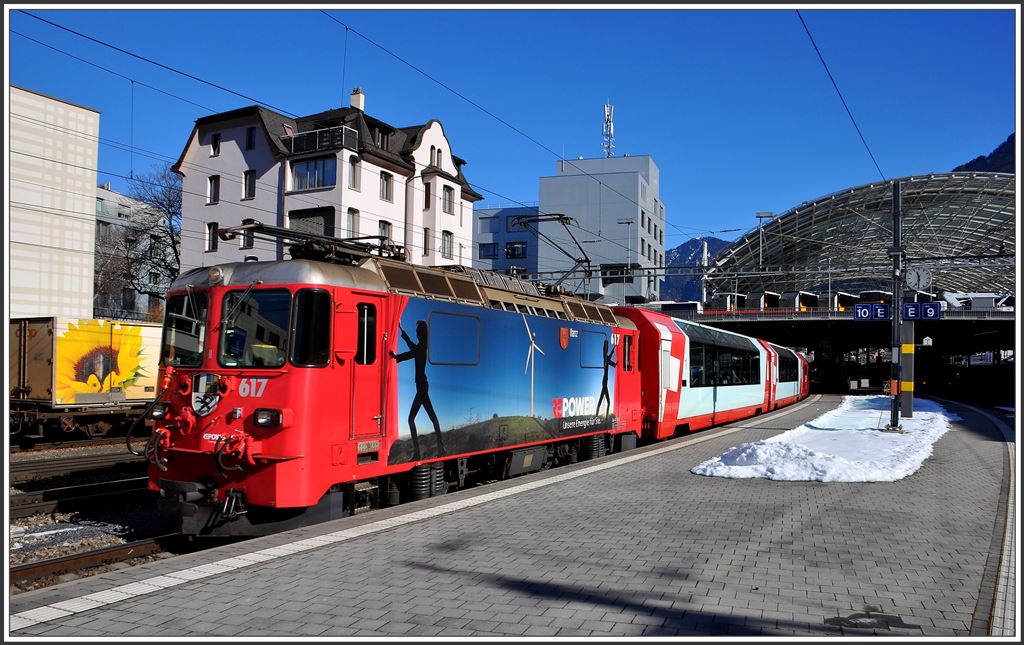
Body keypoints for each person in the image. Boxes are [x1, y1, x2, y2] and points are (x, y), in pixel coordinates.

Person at [390, 320, 446, 460]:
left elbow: (411, 350)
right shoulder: (421, 347)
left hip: (421, 387)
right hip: (422, 386)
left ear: (421, 333)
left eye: (417, 331)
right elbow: (411, 352)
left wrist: (402, 332)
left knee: (411, 419)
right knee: (432, 416)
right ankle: (440, 447)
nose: (416, 333)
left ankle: (418, 453)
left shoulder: (422, 347)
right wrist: (397, 357)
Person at [597, 339, 617, 417]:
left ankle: (596, 416)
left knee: (601, 400)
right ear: (606, 347)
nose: (608, 347)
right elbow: (610, 361)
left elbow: (610, 358)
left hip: (605, 381)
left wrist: (612, 351)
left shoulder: (606, 357)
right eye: (607, 346)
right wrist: (615, 364)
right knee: (607, 402)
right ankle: (605, 419)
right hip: (605, 381)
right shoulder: (605, 357)